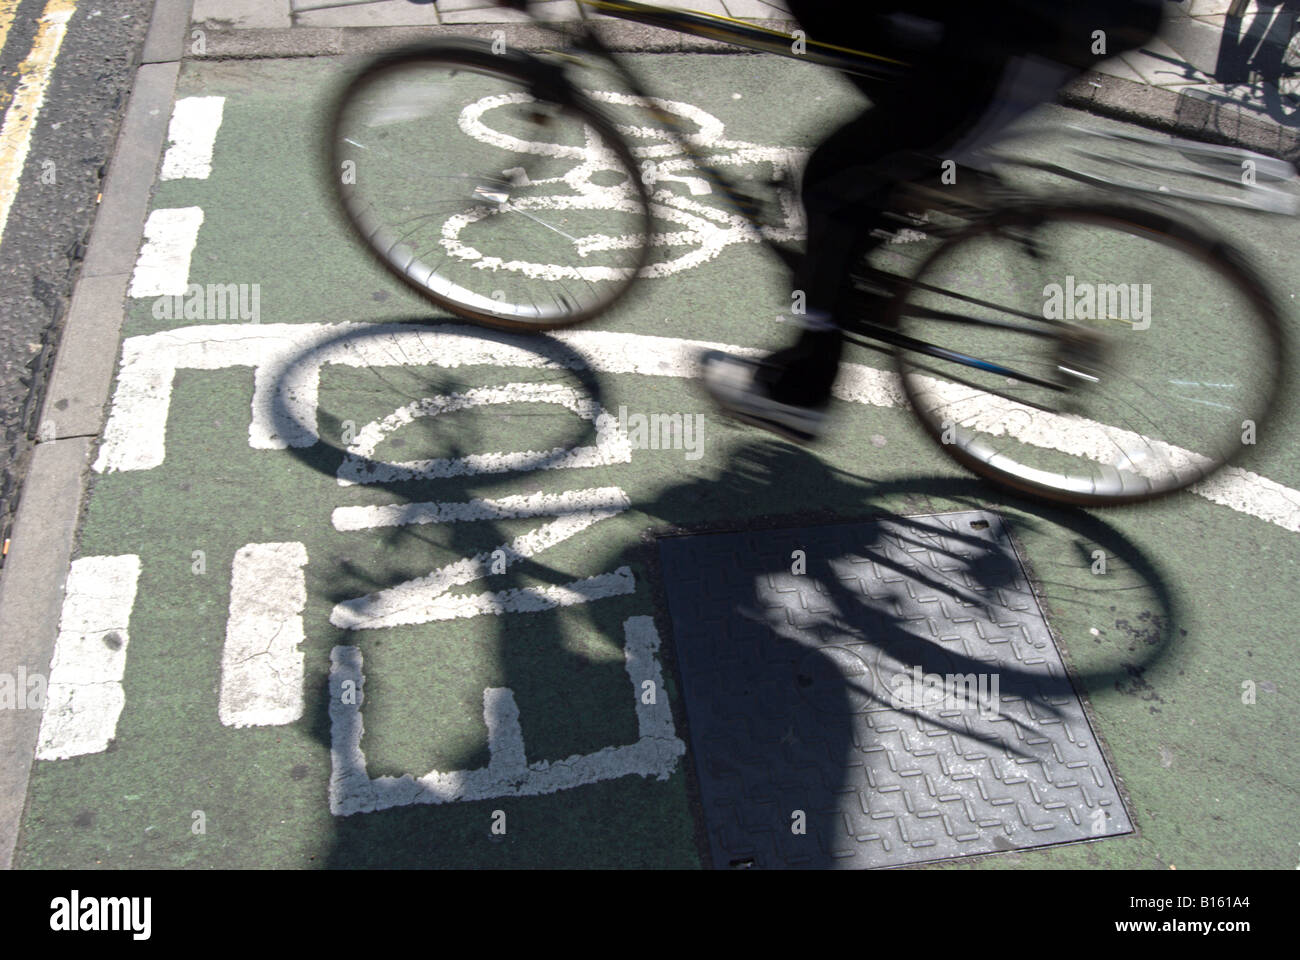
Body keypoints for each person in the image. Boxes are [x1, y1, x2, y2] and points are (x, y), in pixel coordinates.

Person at [700, 0, 1165, 443]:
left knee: (833, 183)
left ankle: (799, 393)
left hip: (1012, 42)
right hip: (991, 37)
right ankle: (885, 225)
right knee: (873, 172)